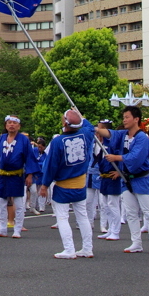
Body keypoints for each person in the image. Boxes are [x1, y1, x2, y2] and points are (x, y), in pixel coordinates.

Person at [101, 106, 149, 255]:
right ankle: (136, 242)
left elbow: (136, 157)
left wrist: (117, 158)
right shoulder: (123, 135)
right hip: (126, 179)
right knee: (131, 212)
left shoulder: (142, 138)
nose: (124, 120)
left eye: (127, 117)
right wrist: (94, 129)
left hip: (142, 178)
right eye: (124, 117)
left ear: (136, 119)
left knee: (148, 211)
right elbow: (110, 134)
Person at [40, 109, 93, 259]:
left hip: (63, 184)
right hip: (81, 183)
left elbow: (51, 166)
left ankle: (69, 249)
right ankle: (87, 248)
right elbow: (89, 126)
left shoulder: (57, 141)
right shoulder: (86, 134)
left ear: (64, 123)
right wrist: (80, 116)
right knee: (82, 216)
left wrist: (45, 184)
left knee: (62, 217)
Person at [0, 115, 38, 238]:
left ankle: (17, 229)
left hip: (17, 175)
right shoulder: (1, 139)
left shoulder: (23, 140)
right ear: (6, 125)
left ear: (18, 126)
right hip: (2, 175)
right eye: (9, 123)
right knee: (0, 202)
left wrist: (29, 174)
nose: (11, 125)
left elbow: (29, 158)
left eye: (14, 123)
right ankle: (2, 228)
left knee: (19, 203)